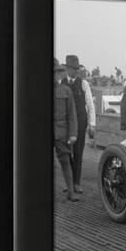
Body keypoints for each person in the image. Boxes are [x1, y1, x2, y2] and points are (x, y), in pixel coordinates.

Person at [61, 55, 96, 195]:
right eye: (72, 68)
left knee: (78, 152)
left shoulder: (84, 84)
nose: (75, 71)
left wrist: (92, 124)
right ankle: (69, 182)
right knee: (66, 153)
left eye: (77, 69)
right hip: (66, 124)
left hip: (81, 122)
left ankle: (77, 183)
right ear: (67, 68)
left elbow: (90, 105)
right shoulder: (61, 83)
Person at [54, 59, 79, 202]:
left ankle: (71, 191)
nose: (55, 75)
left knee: (65, 161)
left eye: (57, 72)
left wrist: (73, 134)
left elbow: (72, 114)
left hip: (61, 132)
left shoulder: (66, 91)